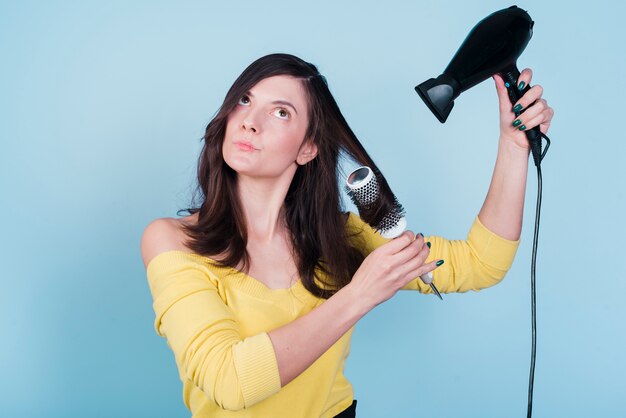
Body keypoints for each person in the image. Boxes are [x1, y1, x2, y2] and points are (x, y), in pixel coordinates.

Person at [141, 53, 554, 418]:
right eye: (245, 100)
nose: (250, 121)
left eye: (281, 112)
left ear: (308, 149)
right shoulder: (172, 241)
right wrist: (361, 293)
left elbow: (481, 263)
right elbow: (230, 381)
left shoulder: (341, 237)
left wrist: (513, 146)